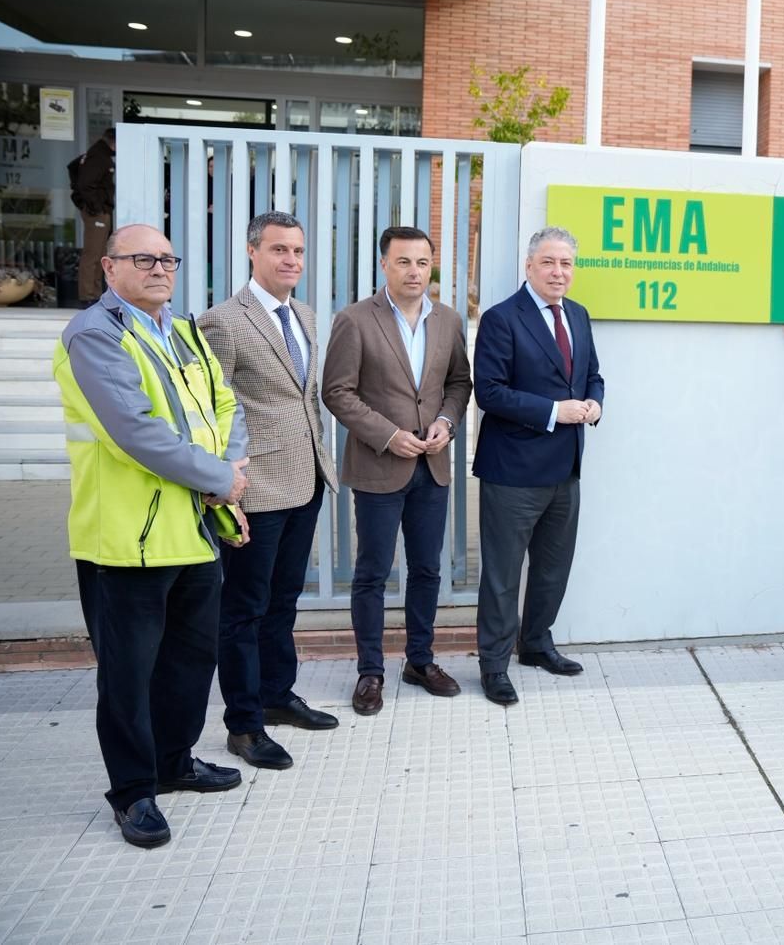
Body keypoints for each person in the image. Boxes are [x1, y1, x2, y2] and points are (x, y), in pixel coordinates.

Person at [52, 223, 251, 848]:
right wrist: (219, 475)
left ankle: (175, 761)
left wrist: (229, 470)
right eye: (143, 259)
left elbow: (227, 404)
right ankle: (134, 792)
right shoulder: (94, 335)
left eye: (168, 258)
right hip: (126, 541)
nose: (160, 268)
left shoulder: (184, 330)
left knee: (190, 663)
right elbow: (135, 430)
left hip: (192, 530)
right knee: (128, 676)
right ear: (109, 269)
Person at [198, 211, 340, 771]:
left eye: (299, 252)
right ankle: (244, 725)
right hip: (253, 488)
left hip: (305, 481)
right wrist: (222, 483)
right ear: (252, 251)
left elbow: (302, 399)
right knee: (244, 609)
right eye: (280, 249)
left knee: (284, 602)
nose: (291, 261)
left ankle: (278, 695)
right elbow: (210, 407)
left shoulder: (302, 314)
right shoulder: (223, 321)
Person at [322, 226, 472, 716]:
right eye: (403, 262)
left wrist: (447, 422)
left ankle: (420, 661)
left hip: (433, 464)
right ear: (384, 265)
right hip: (379, 465)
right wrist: (389, 435)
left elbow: (458, 382)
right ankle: (370, 670)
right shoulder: (355, 320)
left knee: (427, 569)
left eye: (422, 263)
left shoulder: (448, 321)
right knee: (372, 572)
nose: (414, 271)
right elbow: (338, 392)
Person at [472, 226, 605, 707]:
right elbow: (489, 392)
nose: (559, 272)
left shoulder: (579, 315)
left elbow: (593, 375)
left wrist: (594, 403)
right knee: (504, 575)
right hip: (513, 471)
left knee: (552, 568)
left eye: (566, 263)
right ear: (529, 266)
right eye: (549, 262)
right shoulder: (502, 318)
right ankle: (493, 664)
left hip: (565, 468)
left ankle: (536, 644)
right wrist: (554, 411)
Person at [68, 128, 115, 304]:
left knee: (100, 253)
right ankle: (88, 295)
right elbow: (86, 184)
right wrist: (96, 207)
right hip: (97, 213)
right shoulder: (98, 157)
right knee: (93, 254)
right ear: (113, 141)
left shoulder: (96, 155)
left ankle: (94, 294)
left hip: (100, 211)